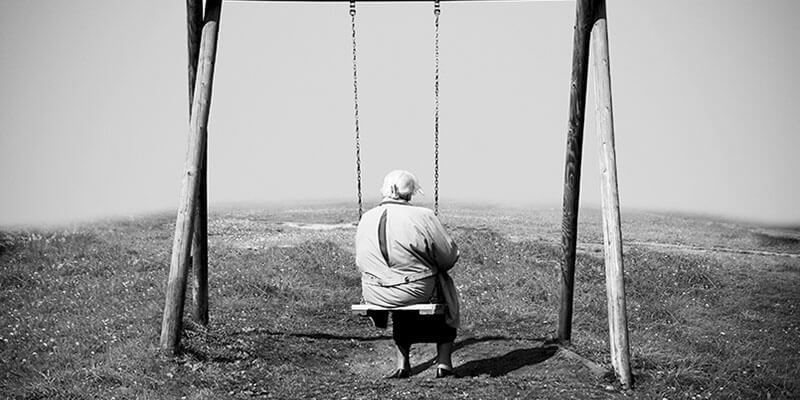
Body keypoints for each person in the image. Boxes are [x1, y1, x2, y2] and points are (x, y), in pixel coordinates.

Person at [355, 170, 461, 379]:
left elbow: (360, 261)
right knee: (444, 288)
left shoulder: (366, 217)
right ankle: (444, 364)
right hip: (414, 290)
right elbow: (448, 258)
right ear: (411, 193)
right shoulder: (422, 215)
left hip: (375, 292)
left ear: (385, 190)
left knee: (400, 308)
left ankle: (403, 364)